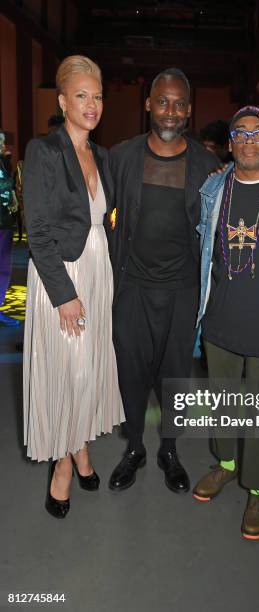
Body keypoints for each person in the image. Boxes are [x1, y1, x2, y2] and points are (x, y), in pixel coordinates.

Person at [23, 55, 125, 518]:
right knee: (70, 372)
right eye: (81, 95)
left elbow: (109, 220)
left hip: (97, 269)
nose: (92, 104)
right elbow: (39, 230)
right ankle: (62, 465)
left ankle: (80, 446)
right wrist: (64, 294)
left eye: (98, 96)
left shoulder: (102, 157)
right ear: (63, 101)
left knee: (92, 367)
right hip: (61, 275)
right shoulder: (43, 151)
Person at [108, 68, 219, 495]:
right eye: (162, 102)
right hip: (131, 287)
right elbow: (100, 215)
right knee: (131, 373)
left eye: (178, 104)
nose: (170, 112)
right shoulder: (122, 157)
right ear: (148, 104)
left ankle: (169, 450)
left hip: (182, 290)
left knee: (175, 376)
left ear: (188, 109)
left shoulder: (207, 166)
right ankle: (134, 447)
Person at [192, 106, 259, 539]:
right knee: (221, 402)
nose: (250, 141)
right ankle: (225, 464)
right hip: (220, 319)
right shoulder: (213, 187)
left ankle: (258, 487)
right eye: (241, 133)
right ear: (231, 142)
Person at [0, 135, 19, 327]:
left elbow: (9, 185)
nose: (3, 145)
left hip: (5, 222)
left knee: (4, 269)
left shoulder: (4, 163)